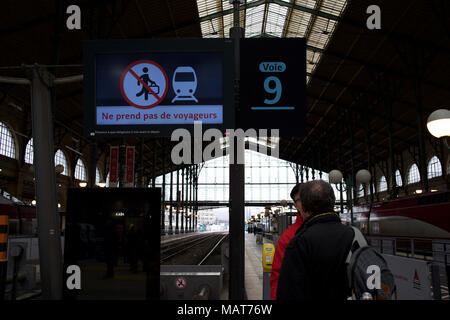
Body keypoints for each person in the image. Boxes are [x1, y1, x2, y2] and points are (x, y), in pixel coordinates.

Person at [276, 180, 354, 300]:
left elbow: (288, 292)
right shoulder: (353, 235)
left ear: (304, 206)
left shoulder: (299, 242)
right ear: (332, 202)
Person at [270, 183, 304, 300]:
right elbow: (277, 276)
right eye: (300, 200)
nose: (305, 202)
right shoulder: (288, 237)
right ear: (295, 205)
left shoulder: (338, 231)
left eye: (307, 197)